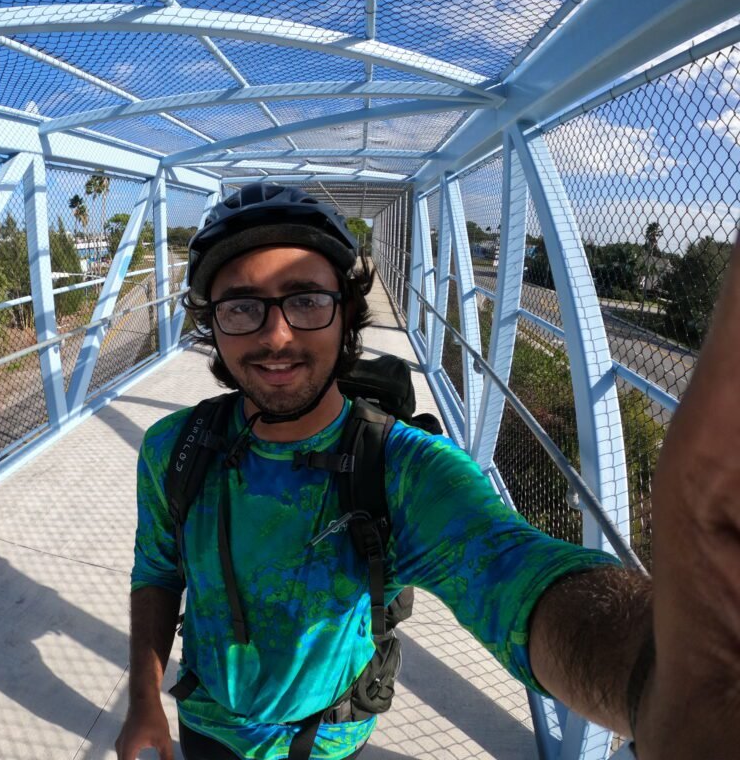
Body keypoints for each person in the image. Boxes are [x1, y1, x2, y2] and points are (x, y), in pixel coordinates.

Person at [116, 184, 740, 759]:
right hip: (206, 726)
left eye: (306, 300)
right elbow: (159, 569)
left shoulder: (404, 469)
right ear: (212, 324)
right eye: (242, 307)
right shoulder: (176, 448)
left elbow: (511, 571)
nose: (276, 335)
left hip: (327, 740)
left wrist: (667, 683)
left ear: (346, 313)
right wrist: (146, 698)